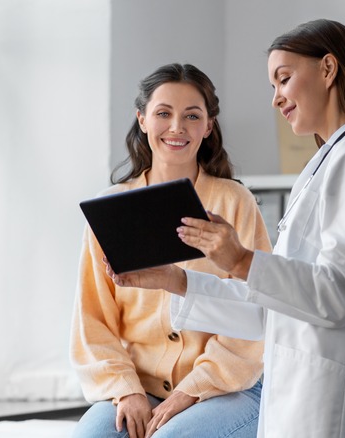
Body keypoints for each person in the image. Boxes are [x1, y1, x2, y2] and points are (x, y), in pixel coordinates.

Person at [107, 19, 345, 437]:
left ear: (328, 69)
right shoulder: (327, 163)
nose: (276, 99)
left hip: (341, 402)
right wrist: (175, 280)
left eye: (284, 79)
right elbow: (271, 309)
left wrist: (240, 259)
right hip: (306, 393)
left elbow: (343, 294)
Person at [70, 63, 271, 438]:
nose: (177, 127)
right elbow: (92, 320)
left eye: (192, 116)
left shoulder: (235, 203)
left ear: (208, 126)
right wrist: (126, 390)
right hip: (137, 385)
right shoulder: (109, 209)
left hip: (230, 387)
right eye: (163, 113)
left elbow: (256, 315)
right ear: (142, 119)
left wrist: (189, 392)